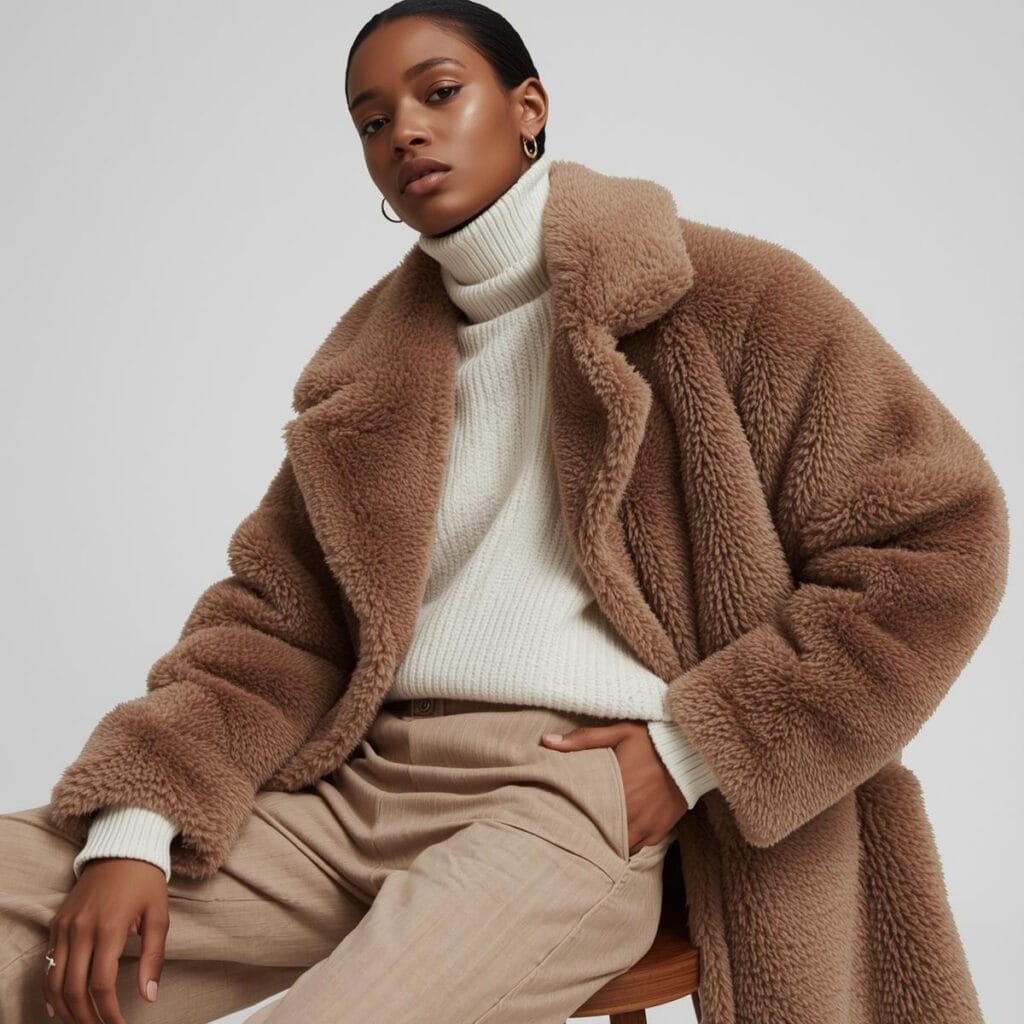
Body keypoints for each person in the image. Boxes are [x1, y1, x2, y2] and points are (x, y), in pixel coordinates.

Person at [1, 2, 1009, 1024]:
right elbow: (272, 627)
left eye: (439, 92)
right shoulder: (369, 372)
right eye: (371, 121)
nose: (405, 132)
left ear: (528, 108)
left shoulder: (729, 297)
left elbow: (938, 536)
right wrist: (137, 824)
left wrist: (693, 749)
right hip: (356, 785)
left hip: (567, 792)